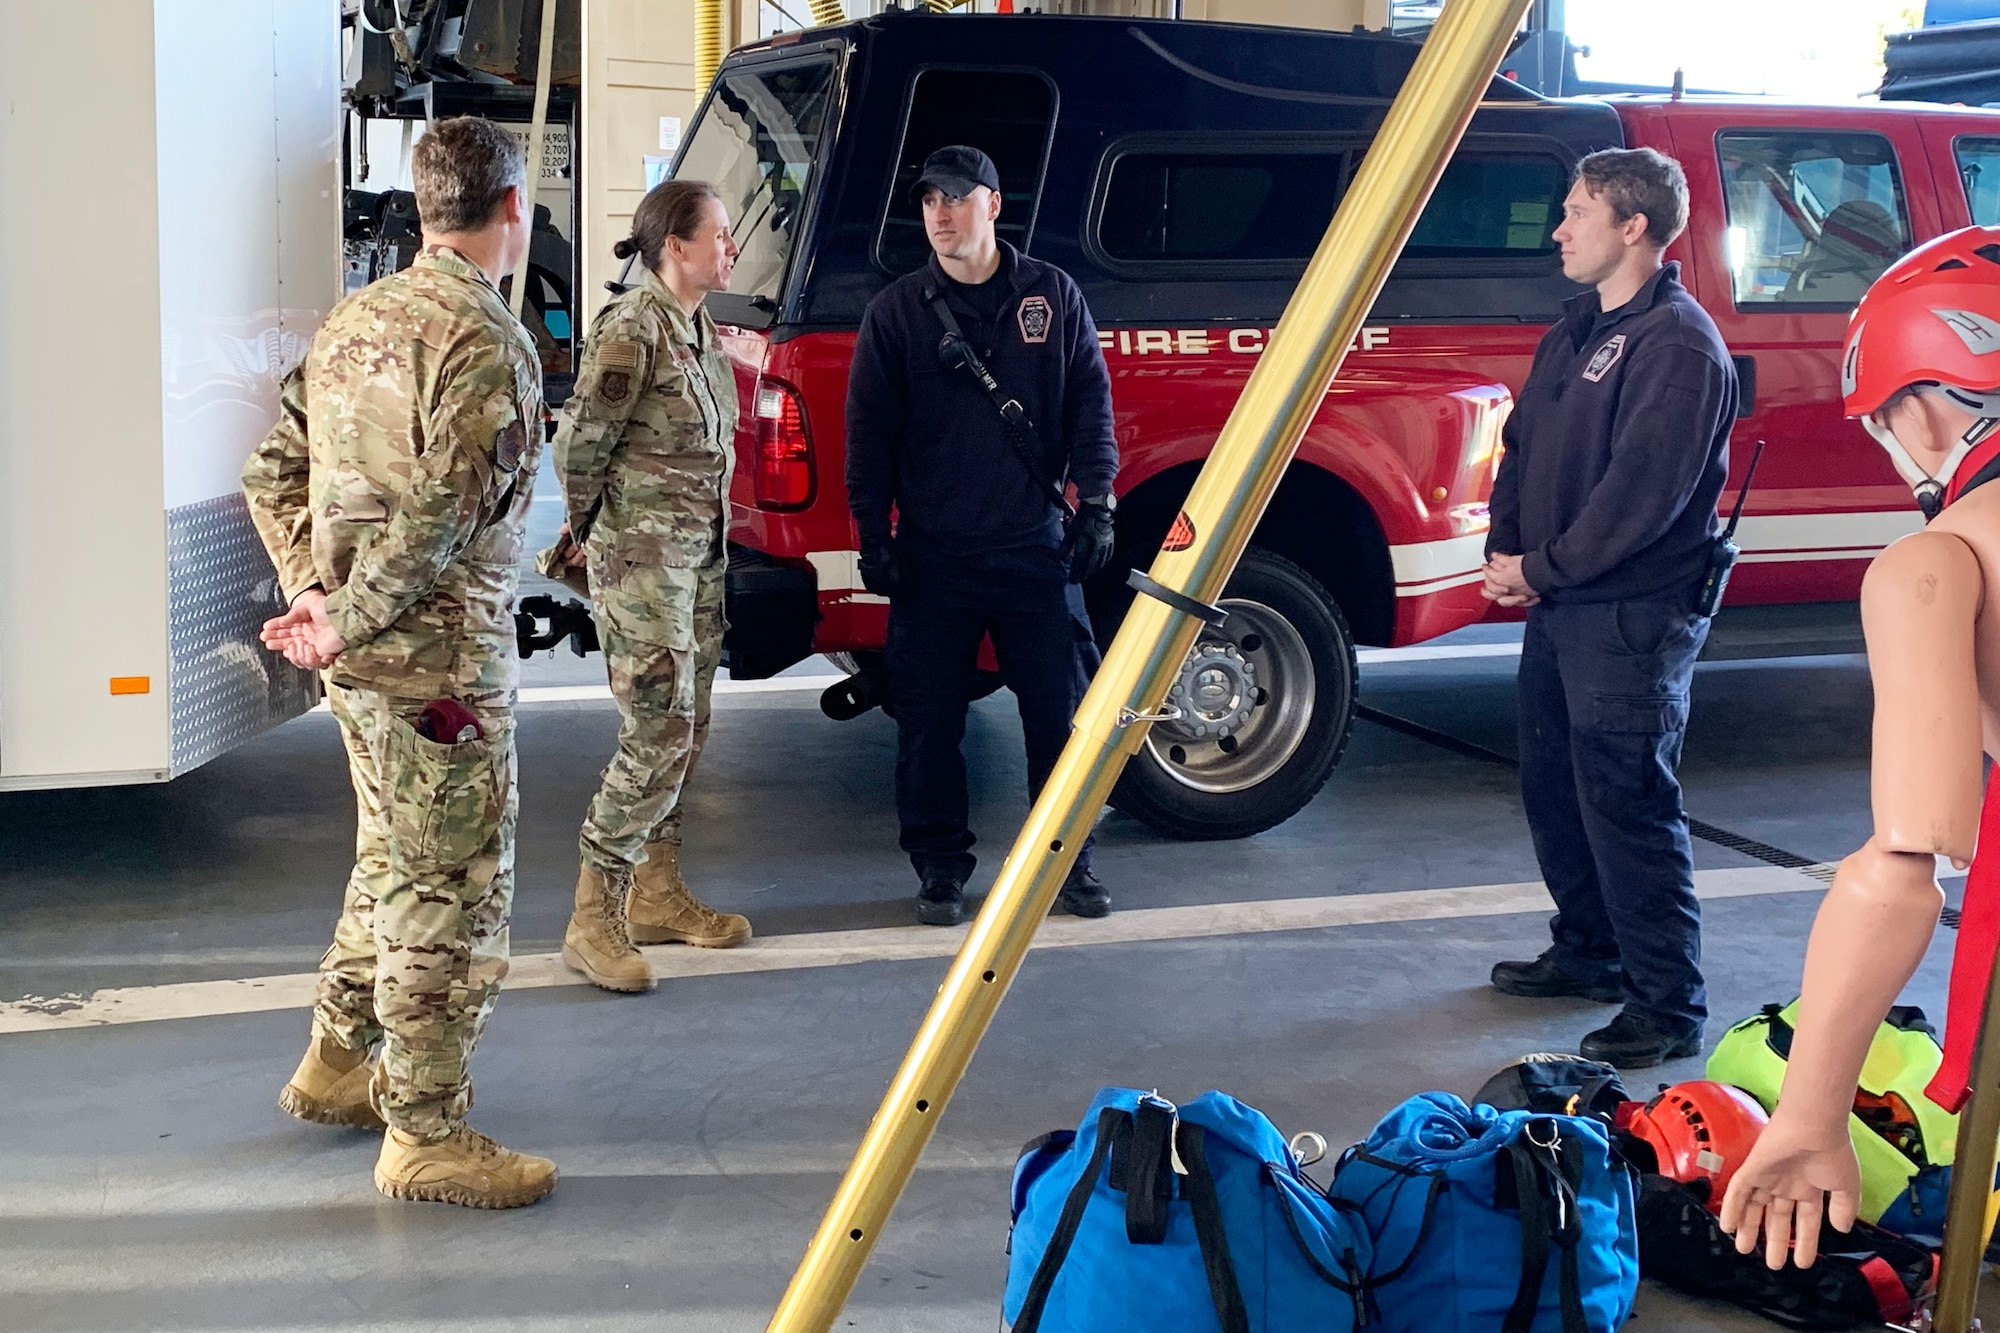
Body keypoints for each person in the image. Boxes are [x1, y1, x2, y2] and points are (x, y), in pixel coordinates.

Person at [243, 117, 556, 1207]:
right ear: (510, 209)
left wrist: (311, 593)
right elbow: (440, 519)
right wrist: (341, 616)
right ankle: (422, 1129)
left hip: (365, 670)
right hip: (437, 675)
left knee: (388, 857)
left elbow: (270, 468)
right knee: (452, 887)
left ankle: (337, 1062)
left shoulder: (352, 321)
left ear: (424, 206)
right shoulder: (487, 344)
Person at [1720, 227, 2000, 1271]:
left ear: (1921, 404)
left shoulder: (1932, 564)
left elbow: (1900, 865)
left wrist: (1805, 1115)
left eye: (1878, 422)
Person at [1483, 147, 1738, 1069]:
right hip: (1561, 606)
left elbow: (1640, 500)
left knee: (1627, 800)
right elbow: (1521, 446)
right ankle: (1590, 948)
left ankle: (1667, 1002)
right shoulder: (1577, 330)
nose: (1559, 227)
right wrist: (1505, 554)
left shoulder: (1678, 346)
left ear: (1634, 226)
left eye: (1578, 210)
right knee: (1554, 786)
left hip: (1629, 617)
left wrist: (1540, 569)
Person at [845, 145, 1119, 926]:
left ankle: (1069, 861)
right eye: (930, 199)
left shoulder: (1052, 297)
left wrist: (1096, 502)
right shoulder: (897, 311)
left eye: (957, 199)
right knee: (929, 728)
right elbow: (869, 435)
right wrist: (876, 534)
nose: (939, 213)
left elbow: (1090, 408)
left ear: (993, 206)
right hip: (935, 560)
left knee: (1062, 721)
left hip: (1037, 550)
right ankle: (938, 868)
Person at [546, 179, 753, 993]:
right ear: (676, 246)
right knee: (658, 729)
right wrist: (604, 540)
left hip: (696, 559)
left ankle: (656, 892)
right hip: (643, 564)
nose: (731, 247)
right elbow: (578, 452)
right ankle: (594, 915)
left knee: (689, 726)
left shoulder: (697, 327)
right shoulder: (633, 329)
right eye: (722, 234)